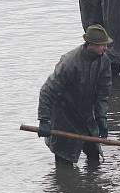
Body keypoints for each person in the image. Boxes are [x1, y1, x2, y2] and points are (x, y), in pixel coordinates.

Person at [37, 25, 113, 165]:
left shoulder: (104, 61)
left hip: (86, 115)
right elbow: (47, 90)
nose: (106, 48)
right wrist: (44, 120)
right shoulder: (69, 63)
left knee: (94, 158)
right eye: (103, 45)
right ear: (91, 45)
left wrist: (101, 117)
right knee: (64, 159)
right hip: (64, 115)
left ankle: (90, 185)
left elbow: (102, 94)